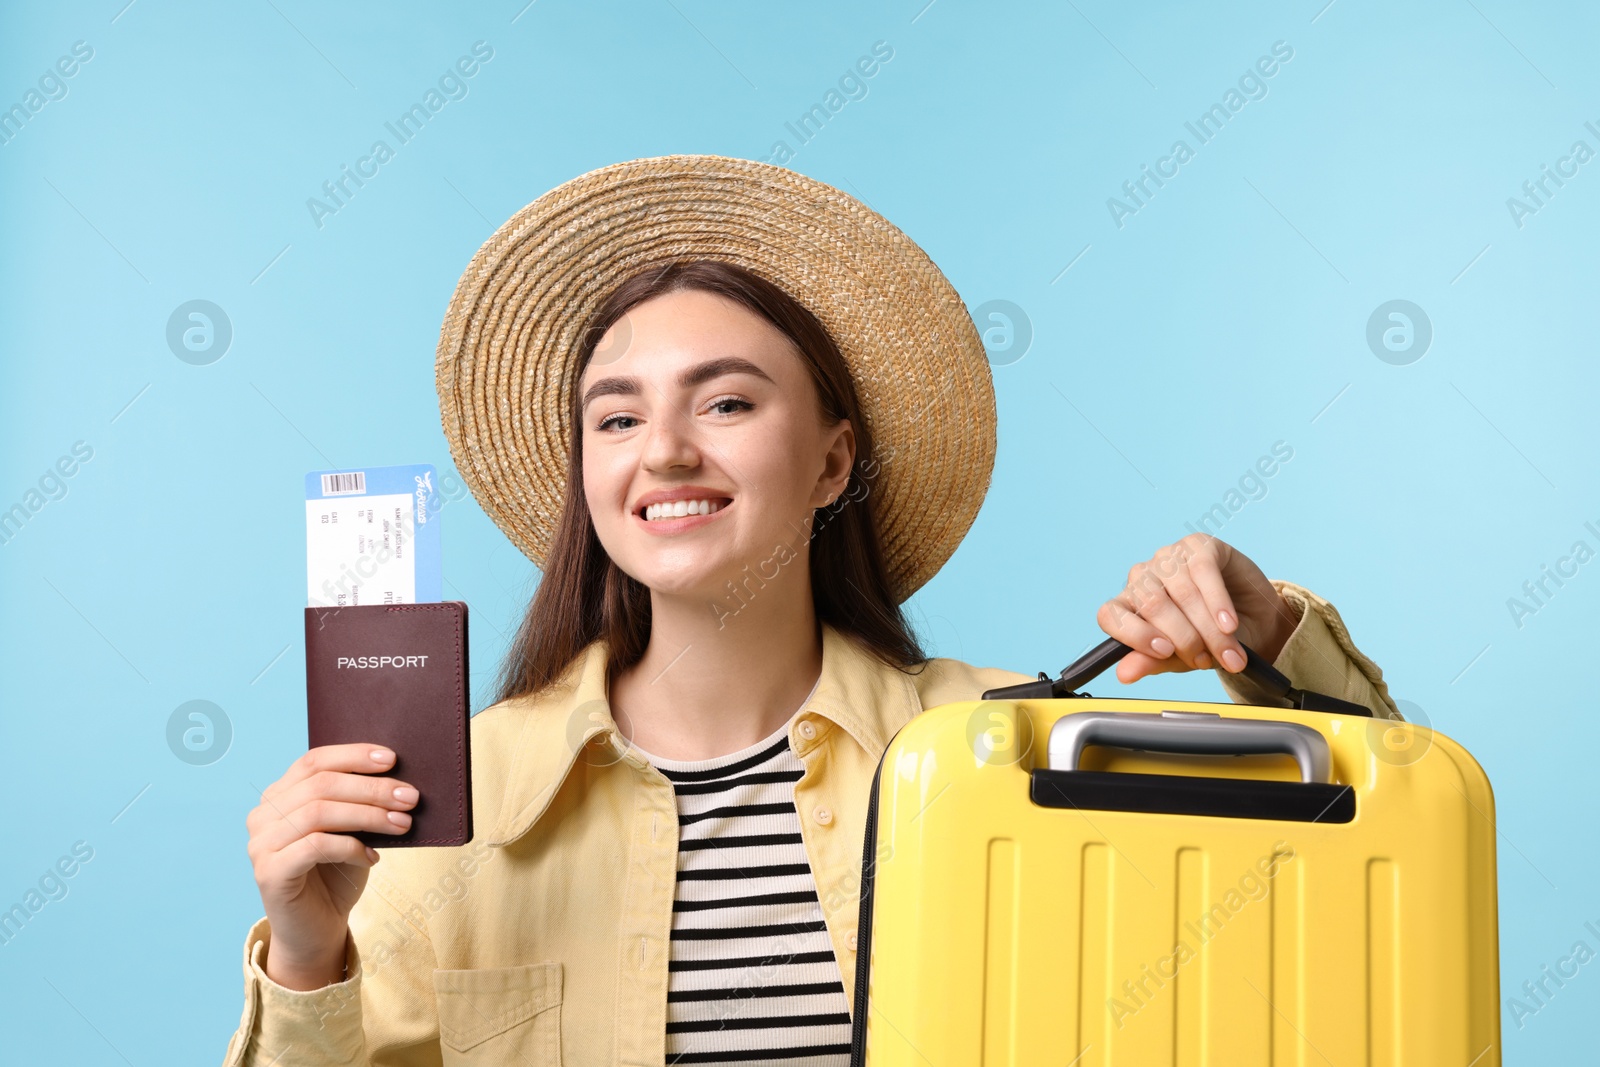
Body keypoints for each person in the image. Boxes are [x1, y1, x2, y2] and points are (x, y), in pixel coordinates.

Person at [222, 156, 1399, 1067]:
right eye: (617, 418)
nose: (665, 452)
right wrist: (312, 953)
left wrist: (1268, 626)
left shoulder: (1004, 741)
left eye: (726, 401)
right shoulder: (446, 801)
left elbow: (1374, 853)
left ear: (834, 460)